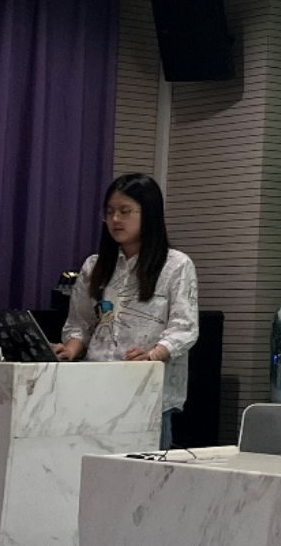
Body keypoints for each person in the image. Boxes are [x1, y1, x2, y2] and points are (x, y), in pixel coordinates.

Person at [54, 173, 199, 450]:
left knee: (143, 471)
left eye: (125, 211)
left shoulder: (176, 265)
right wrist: (70, 349)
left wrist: (153, 354)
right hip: (95, 386)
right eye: (109, 212)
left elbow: (185, 327)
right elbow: (80, 323)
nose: (115, 219)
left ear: (149, 214)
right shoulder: (95, 265)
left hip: (147, 391)